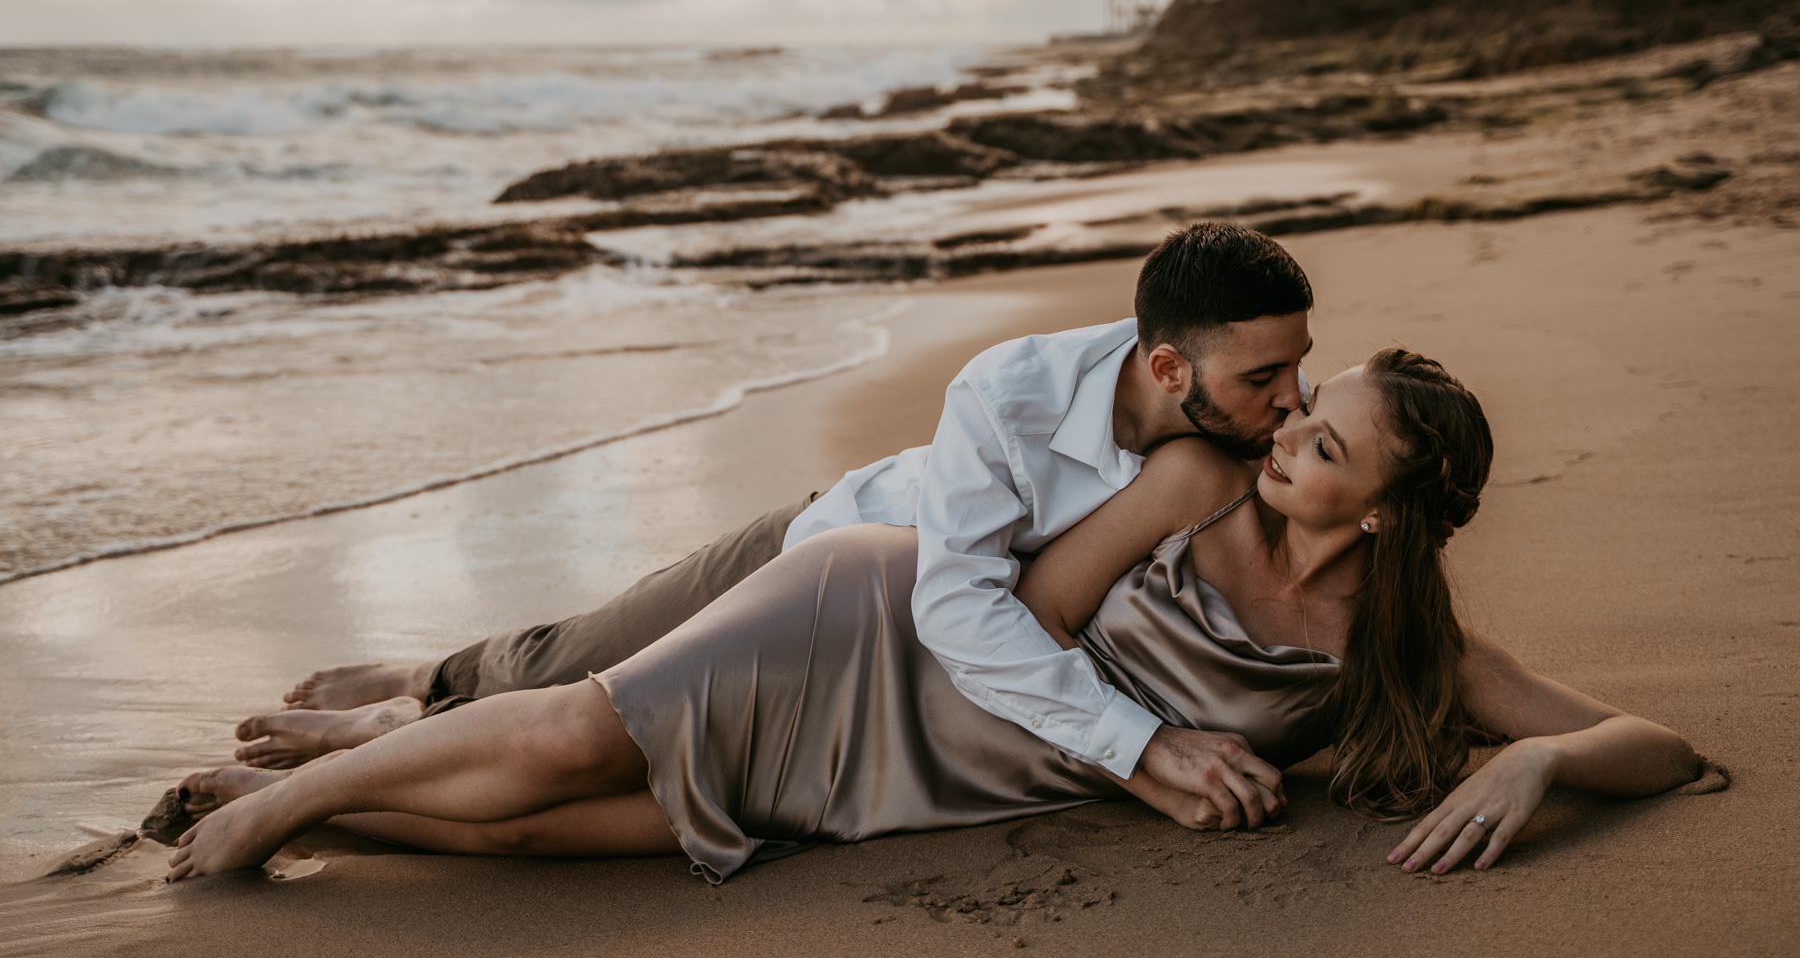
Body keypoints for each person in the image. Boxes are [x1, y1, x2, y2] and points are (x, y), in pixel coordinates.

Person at [170, 349, 1702, 883]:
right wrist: (1147, 749)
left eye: (1324, 441)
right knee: (580, 724)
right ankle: (279, 807)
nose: (1287, 425)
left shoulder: (1400, 655)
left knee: (548, 835)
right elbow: (1025, 597)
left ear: (1378, 507)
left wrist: (1538, 764)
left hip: (932, 777)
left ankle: (299, 808)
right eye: (1301, 409)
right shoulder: (1202, 483)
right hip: (882, 622)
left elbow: (1671, 749)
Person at [231, 223, 1316, 810]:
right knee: (569, 665)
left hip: (875, 667)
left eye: (1301, 369)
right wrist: (1140, 748)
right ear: (1168, 366)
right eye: (1269, 377)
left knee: (603, 730)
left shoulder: (1248, 424)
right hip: (814, 555)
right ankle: (414, 691)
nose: (1294, 403)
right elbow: (963, 607)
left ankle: (407, 721)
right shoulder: (1010, 392)